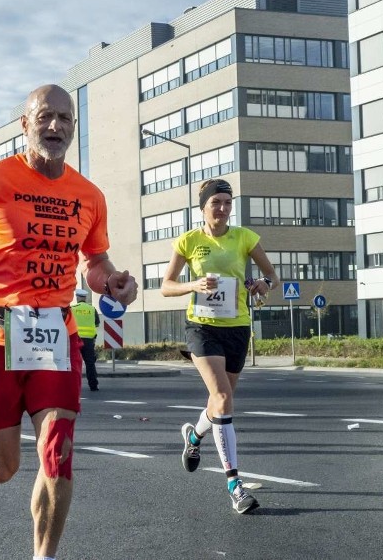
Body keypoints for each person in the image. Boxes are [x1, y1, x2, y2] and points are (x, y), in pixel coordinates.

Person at [0, 84, 137, 560]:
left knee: (58, 452)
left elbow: (95, 261)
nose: (55, 126)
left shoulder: (88, 195)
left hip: (53, 336)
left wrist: (113, 283)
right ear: (25, 125)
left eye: (65, 118)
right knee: (3, 467)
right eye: (45, 116)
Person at [160, 177, 278, 515]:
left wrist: (260, 284)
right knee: (223, 398)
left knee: (220, 403)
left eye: (227, 202)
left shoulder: (244, 237)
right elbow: (166, 286)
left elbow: (272, 276)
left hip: (237, 327)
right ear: (204, 207)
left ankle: (195, 438)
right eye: (217, 203)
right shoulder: (189, 241)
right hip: (202, 327)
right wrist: (193, 284)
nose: (223, 208)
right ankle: (234, 486)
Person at [70, 289, 100, 391]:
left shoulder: (72, 309)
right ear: (85, 298)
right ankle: (93, 385)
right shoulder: (92, 309)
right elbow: (97, 324)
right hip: (88, 341)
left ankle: (73, 386)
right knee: (90, 363)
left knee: (73, 363)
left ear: (77, 297)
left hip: (75, 340)